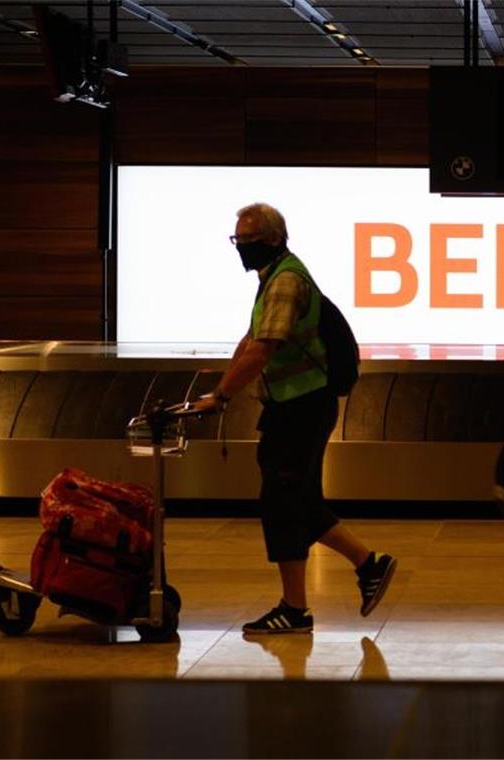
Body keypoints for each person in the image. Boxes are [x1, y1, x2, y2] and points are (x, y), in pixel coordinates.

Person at [190, 202, 397, 634]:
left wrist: (223, 395)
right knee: (296, 498)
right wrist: (219, 389)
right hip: (291, 406)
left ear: (273, 239)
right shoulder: (273, 277)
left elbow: (265, 347)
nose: (242, 249)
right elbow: (250, 340)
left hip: (303, 406)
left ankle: (296, 607)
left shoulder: (285, 281)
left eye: (248, 241)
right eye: (238, 241)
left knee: (283, 500)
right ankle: (367, 565)